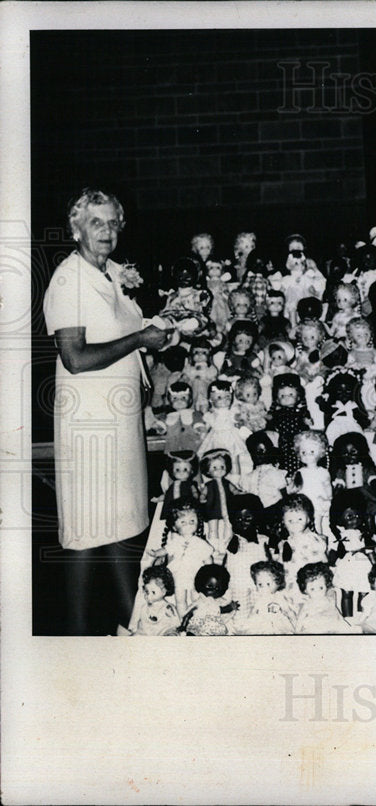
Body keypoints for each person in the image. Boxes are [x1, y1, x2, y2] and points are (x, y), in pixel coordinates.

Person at [42, 188, 171, 634]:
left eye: (114, 223)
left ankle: (134, 625)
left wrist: (162, 329)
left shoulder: (111, 274)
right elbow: (74, 357)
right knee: (85, 531)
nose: (108, 232)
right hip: (89, 426)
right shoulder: (68, 279)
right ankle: (76, 641)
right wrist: (140, 339)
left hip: (120, 424)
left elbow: (130, 329)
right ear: (76, 227)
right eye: (97, 223)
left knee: (121, 525)